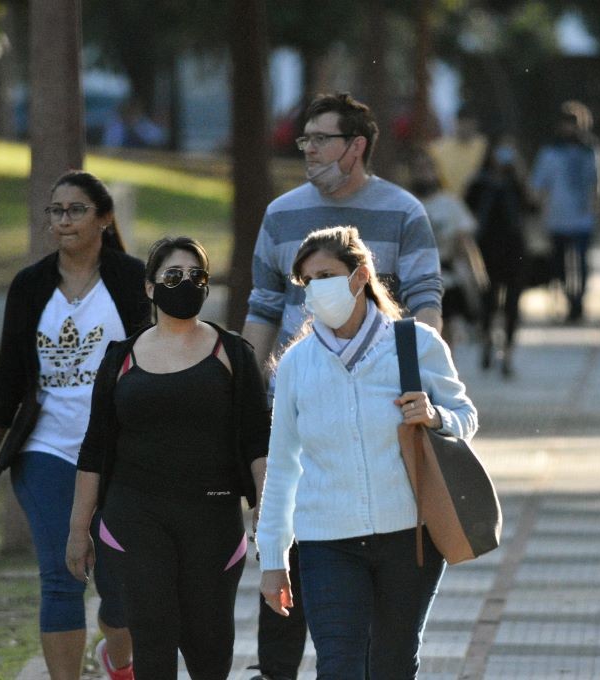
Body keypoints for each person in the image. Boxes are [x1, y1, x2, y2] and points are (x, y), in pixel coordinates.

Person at [242, 91, 443, 680]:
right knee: (295, 532)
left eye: (320, 139)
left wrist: (420, 381)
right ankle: (275, 668)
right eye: (303, 140)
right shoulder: (280, 214)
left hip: (386, 413)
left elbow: (426, 304)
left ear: (355, 147)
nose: (306, 150)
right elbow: (262, 305)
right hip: (299, 400)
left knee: (387, 645)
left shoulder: (404, 212)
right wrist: (247, 393)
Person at [255, 226, 478, 680]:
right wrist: (273, 559)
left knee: (392, 666)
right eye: (307, 281)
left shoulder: (414, 345)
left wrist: (435, 416)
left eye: (326, 275)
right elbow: (281, 467)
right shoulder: (297, 364)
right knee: (338, 668)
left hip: (409, 537)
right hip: (326, 543)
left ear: (359, 276)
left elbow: (465, 415)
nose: (316, 289)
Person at [65, 236, 270, 680]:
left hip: (213, 514)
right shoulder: (120, 359)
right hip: (135, 513)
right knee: (154, 637)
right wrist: (79, 530)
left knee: (209, 645)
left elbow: (258, 442)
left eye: (197, 276)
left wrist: (266, 513)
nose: (187, 284)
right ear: (151, 288)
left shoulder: (233, 353)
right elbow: (95, 449)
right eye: (173, 276)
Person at [0, 171, 148, 680]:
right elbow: (7, 373)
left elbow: (151, 360)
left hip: (117, 451)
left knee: (117, 582)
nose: (63, 220)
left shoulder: (129, 278)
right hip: (45, 449)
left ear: (104, 218)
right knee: (60, 574)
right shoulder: (30, 286)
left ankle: (120, 660)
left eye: (75, 210)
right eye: (56, 210)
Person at [465, 135, 531, 377]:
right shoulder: (480, 182)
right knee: (488, 302)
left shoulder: (516, 181)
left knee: (512, 304)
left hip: (514, 249)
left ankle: (508, 353)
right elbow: (467, 207)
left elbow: (530, 206)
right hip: (486, 249)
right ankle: (487, 344)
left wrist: (520, 174)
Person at [529, 105, 600, 323]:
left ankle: (578, 301)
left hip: (582, 218)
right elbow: (539, 186)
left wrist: (596, 211)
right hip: (557, 218)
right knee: (558, 265)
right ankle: (566, 299)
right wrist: (540, 214)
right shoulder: (550, 152)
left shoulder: (591, 151)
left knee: (581, 264)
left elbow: (598, 185)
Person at [407, 148, 485, 349]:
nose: (423, 174)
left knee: (445, 330)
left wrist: (477, 276)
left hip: (444, 275)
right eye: (418, 169)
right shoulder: (403, 203)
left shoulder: (450, 204)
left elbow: (465, 243)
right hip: (410, 276)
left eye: (427, 169)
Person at [428, 107, 488, 198]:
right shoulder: (437, 149)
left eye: (470, 123)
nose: (466, 126)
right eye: (462, 122)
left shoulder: (484, 145)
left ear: (475, 124)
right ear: (456, 122)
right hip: (449, 203)